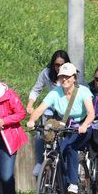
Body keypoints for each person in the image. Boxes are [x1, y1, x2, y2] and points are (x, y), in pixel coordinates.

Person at [26, 63, 95, 194]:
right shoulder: (55, 93)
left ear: (74, 78)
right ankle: (59, 189)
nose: (64, 79)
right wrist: (32, 120)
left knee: (70, 147)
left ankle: (74, 183)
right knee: (57, 152)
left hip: (82, 128)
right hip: (65, 128)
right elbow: (40, 109)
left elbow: (91, 113)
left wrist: (85, 125)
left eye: (67, 76)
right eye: (62, 76)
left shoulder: (83, 92)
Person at [27, 50, 73, 178]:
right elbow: (36, 89)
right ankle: (41, 162)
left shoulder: (71, 75)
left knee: (65, 140)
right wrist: (30, 104)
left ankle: (67, 172)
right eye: (56, 65)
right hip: (50, 108)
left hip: (67, 110)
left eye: (62, 65)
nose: (59, 68)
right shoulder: (46, 73)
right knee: (40, 132)